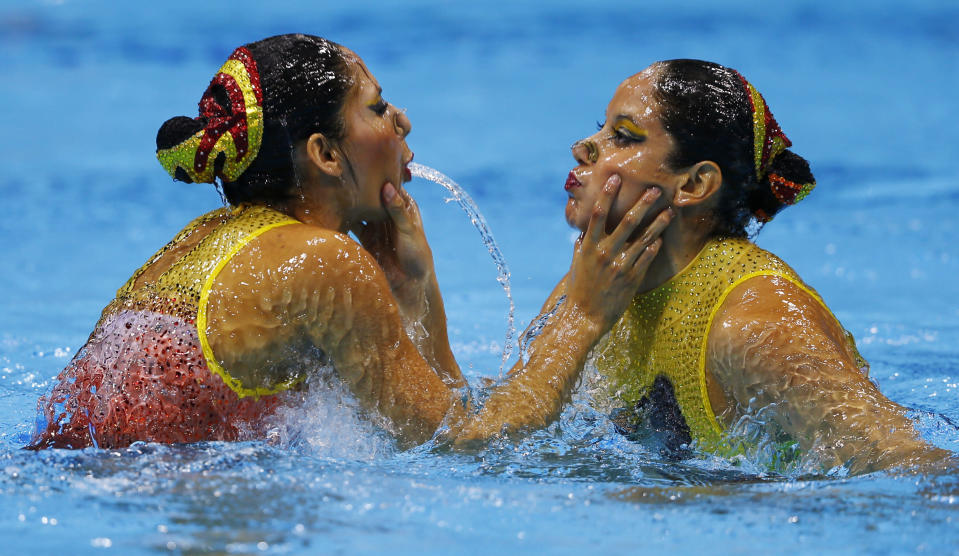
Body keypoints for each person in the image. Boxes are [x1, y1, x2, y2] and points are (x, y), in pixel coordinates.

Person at [29, 34, 669, 450]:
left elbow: (431, 415)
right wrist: (584, 312)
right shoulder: (321, 260)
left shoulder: (211, 238)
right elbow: (465, 447)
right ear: (326, 155)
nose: (403, 121)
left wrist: (414, 293)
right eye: (378, 107)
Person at [551, 59, 949, 473]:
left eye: (623, 135)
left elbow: (905, 459)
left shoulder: (755, 324)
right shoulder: (599, 283)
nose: (583, 147)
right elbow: (517, 414)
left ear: (693, 185)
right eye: (601, 127)